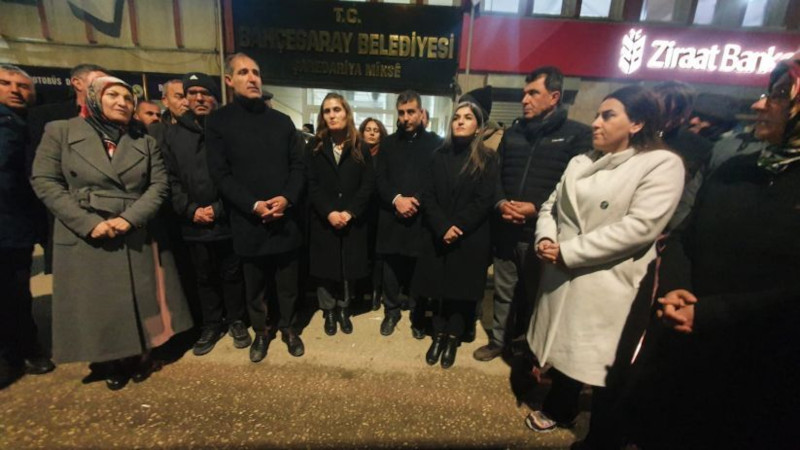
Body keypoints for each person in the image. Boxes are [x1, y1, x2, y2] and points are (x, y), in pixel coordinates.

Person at [629, 57, 800, 450]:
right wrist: (674, 289)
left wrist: (709, 313)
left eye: (778, 96)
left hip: (769, 363)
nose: (758, 104)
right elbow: (686, 236)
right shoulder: (736, 169)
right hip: (692, 345)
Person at [523, 86, 684, 449]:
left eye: (608, 116)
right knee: (566, 348)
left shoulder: (660, 163)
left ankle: (603, 436)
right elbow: (551, 206)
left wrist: (569, 251)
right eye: (597, 114)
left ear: (637, 123)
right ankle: (562, 406)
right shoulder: (580, 161)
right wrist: (546, 238)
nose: (596, 122)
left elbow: (639, 228)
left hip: (609, 281)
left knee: (605, 364)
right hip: (563, 271)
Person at [30, 76, 193, 391]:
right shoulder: (61, 132)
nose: (122, 102)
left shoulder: (143, 141)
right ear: (94, 99)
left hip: (132, 228)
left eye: (128, 98)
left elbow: (158, 185)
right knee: (96, 300)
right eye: (113, 95)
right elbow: (45, 180)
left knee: (138, 298)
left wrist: (130, 218)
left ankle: (139, 355)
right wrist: (88, 222)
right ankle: (108, 358)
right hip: (85, 228)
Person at [473, 66, 592, 362]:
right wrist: (502, 203)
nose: (524, 100)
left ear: (554, 97)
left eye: (533, 93)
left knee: (535, 295)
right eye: (524, 93)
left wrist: (536, 208)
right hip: (506, 228)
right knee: (503, 291)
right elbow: (495, 176)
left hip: (542, 234)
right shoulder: (513, 134)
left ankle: (526, 346)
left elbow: (575, 187)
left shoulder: (577, 135)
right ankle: (499, 341)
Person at [206, 53, 305, 362]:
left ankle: (289, 329)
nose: (252, 78)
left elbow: (298, 166)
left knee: (287, 284)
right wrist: (253, 205)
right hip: (248, 220)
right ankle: (262, 332)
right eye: (244, 72)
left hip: (284, 217)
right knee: (255, 285)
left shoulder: (282, 122)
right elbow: (220, 174)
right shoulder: (219, 122)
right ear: (229, 80)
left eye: (256, 73)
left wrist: (286, 198)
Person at [159, 72, 248, 356]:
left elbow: (241, 175)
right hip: (193, 223)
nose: (199, 98)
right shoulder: (172, 136)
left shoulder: (229, 133)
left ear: (215, 98)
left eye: (205, 93)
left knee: (232, 274)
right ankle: (211, 324)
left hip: (227, 219)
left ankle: (236, 320)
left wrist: (219, 208)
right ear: (186, 98)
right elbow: (169, 179)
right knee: (203, 276)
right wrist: (191, 210)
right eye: (193, 93)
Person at [413, 101, 497, 369]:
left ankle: (453, 336)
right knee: (439, 288)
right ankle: (438, 334)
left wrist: (457, 226)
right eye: (456, 117)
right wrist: (442, 226)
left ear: (478, 127)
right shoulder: (437, 155)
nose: (460, 121)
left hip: (470, 235)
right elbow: (427, 195)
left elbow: (484, 199)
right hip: (439, 233)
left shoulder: (487, 158)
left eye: (468, 117)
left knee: (462, 290)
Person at [0, 64, 54, 388]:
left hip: (16, 228)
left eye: (22, 86)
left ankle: (25, 349)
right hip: (9, 224)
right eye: (5, 83)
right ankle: (11, 356)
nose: (15, 90)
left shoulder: (28, 125)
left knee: (17, 294)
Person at [27, 64, 109, 275]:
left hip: (109, 216)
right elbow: (41, 175)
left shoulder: (117, 122)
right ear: (77, 83)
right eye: (99, 80)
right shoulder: (49, 118)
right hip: (65, 213)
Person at [306, 94, 375, 336]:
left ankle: (344, 308)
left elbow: (368, 185)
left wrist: (350, 212)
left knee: (348, 267)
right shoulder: (314, 147)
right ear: (322, 116)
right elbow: (311, 184)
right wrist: (329, 212)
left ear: (346, 113)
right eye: (327, 111)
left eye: (337, 109)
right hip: (324, 218)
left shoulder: (360, 147)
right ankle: (328, 310)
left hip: (351, 219)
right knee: (325, 268)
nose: (332, 115)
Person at [376, 90, 442, 337]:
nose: (406, 118)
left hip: (421, 216)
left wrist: (416, 201)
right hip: (392, 214)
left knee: (418, 268)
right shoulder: (388, 143)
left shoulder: (435, 143)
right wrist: (397, 200)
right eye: (401, 113)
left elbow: (435, 179)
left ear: (421, 112)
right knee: (391, 267)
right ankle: (391, 311)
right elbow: (380, 179)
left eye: (411, 112)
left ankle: (417, 313)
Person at [359, 117, 388, 310]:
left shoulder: (385, 155)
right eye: (368, 129)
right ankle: (361, 291)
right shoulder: (356, 153)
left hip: (379, 210)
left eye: (376, 130)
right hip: (360, 211)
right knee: (361, 252)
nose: (371, 133)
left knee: (378, 254)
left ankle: (376, 291)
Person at [459, 85, 504, 151]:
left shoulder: (499, 141)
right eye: (457, 116)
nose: (460, 121)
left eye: (467, 117)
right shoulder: (462, 139)